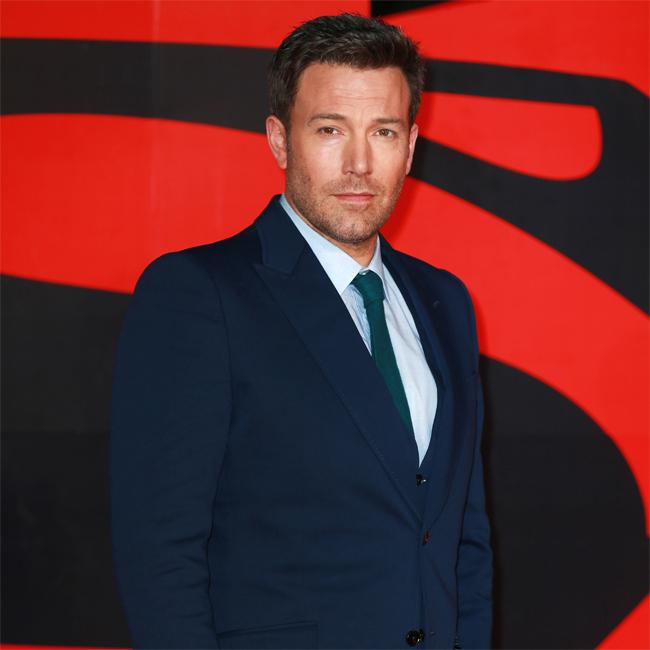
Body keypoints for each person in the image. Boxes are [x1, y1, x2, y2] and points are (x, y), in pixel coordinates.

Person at [110, 13, 492, 650]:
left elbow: (463, 539)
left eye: (383, 131)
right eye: (330, 129)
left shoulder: (444, 301)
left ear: (410, 147)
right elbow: (159, 552)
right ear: (280, 140)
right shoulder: (200, 293)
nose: (359, 163)